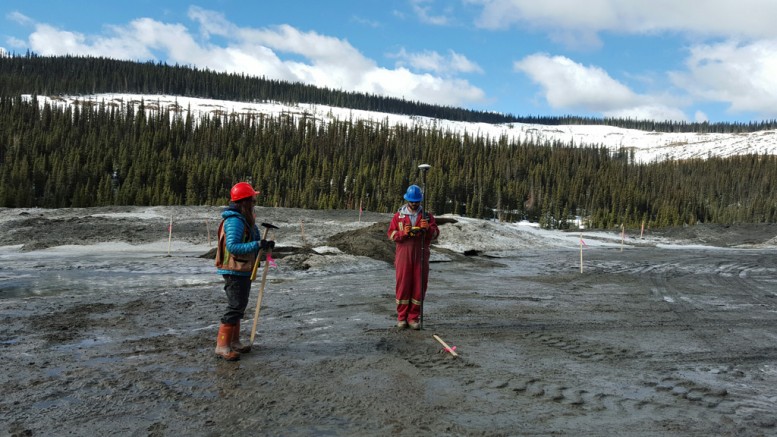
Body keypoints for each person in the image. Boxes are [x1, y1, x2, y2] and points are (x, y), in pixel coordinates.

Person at [214, 182, 274, 361]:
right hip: (234, 270)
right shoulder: (234, 221)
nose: (255, 202)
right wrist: (256, 244)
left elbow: (253, 239)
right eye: (253, 199)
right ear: (245, 201)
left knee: (239, 307)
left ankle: (235, 342)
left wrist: (264, 245)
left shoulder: (244, 218)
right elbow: (233, 247)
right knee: (234, 307)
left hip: (242, 269)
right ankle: (222, 346)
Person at [387, 184, 439, 329]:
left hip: (421, 254)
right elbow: (391, 234)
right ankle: (402, 317)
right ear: (407, 200)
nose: (414, 204)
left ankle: (413, 318)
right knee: (403, 285)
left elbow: (435, 234)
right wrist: (404, 233)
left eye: (417, 201)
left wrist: (428, 229)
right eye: (412, 201)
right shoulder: (398, 216)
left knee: (419, 286)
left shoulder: (427, 216)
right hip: (404, 255)